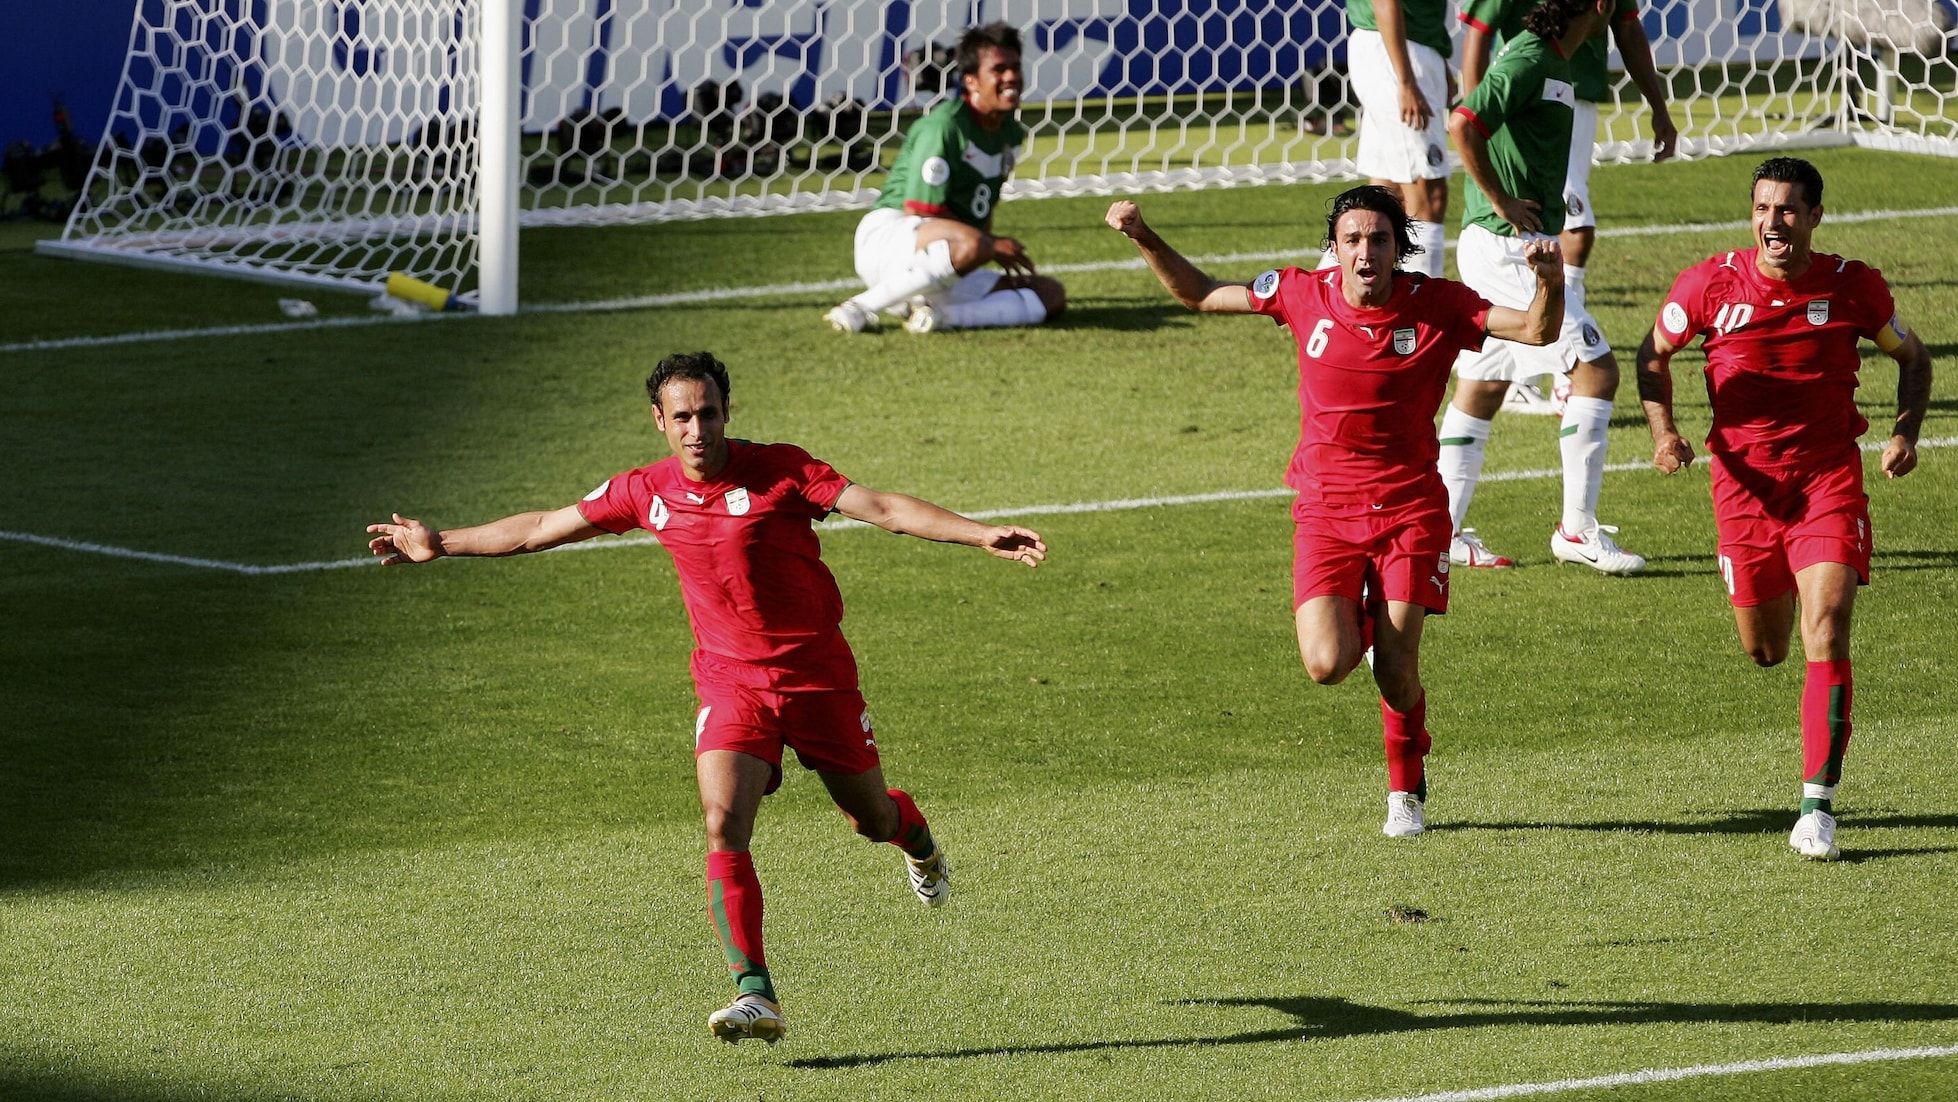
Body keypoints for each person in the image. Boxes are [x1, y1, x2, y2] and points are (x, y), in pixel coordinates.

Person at [365, 352, 1048, 1042]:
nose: (698, 429)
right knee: (724, 823)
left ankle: (918, 842)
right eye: (683, 416)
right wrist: (442, 543)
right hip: (730, 682)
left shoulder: (782, 469)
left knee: (870, 819)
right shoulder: (643, 489)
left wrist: (979, 532)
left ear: (729, 412)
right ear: (658, 420)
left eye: (709, 413)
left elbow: (882, 508)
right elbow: (543, 527)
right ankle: (757, 994)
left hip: (817, 679)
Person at [1105, 186, 1564, 837]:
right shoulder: (1300, 293)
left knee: (1399, 673)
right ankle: (1376, 626)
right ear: (1335, 248)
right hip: (1325, 514)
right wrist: (1144, 235)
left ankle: (1405, 791)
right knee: (1327, 665)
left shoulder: (1437, 304)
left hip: (1409, 513)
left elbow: (1537, 330)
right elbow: (1201, 294)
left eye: (1378, 239)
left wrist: (1551, 281)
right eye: (1352, 239)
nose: (1365, 252)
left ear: (1397, 248)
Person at [1634, 157, 1932, 861]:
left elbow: (1914, 358)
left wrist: (1903, 435)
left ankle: (1818, 807)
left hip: (1827, 482)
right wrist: (1664, 432)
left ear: (1815, 217)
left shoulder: (1851, 286)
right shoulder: (1709, 284)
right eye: (1764, 208)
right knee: (1766, 649)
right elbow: (1653, 352)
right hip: (1744, 497)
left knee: (1825, 627)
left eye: (1789, 210)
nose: (1774, 222)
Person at [1441, 0, 1648, 575]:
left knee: (1482, 384)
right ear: (1598, 6)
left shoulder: (1555, 61)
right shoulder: (1531, 59)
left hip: (1506, 245)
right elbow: (1463, 122)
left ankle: (1440, 532)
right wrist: (1503, 201)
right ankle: (1576, 530)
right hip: (1510, 248)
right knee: (1596, 370)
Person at [1459, 0, 1678, 417]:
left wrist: (1659, 107)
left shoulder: (1572, 47)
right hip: (1529, 97)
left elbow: (1629, 30)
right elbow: (1478, 33)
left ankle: (1546, 361)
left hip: (1573, 92)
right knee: (1574, 232)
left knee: (1482, 385)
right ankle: (1565, 369)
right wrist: (1482, 113)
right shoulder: (1530, 57)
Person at [824, 22, 1066, 335]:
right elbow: (921, 209)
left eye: (1016, 67)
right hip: (889, 239)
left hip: (946, 254)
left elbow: (984, 210)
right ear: (971, 81)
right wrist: (989, 245)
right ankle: (859, 307)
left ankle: (940, 316)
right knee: (974, 242)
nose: (1011, 78)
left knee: (1049, 294)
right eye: (999, 69)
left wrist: (984, 246)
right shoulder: (944, 127)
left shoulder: (1011, 133)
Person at [1340, 0, 1454, 279]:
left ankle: (1319, 304)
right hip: (1397, 52)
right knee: (1428, 194)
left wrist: (1437, 60)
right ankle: (1423, 310)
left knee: (1383, 194)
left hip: (1399, 48)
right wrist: (1406, 82)